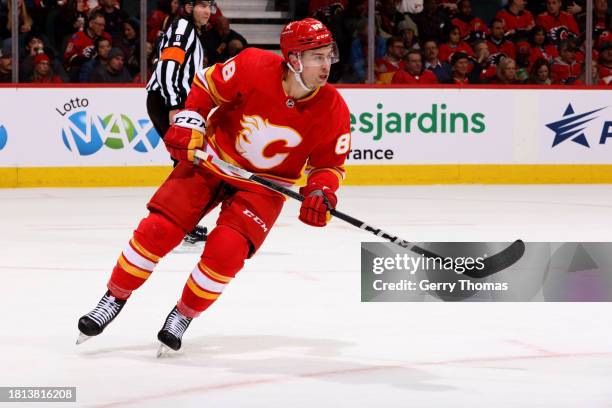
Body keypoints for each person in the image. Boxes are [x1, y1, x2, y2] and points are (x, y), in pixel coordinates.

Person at [76, 18, 351, 356]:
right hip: (213, 160)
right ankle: (113, 298)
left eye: (329, 55)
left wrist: (321, 191)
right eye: (317, 57)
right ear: (294, 59)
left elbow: (328, 165)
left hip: (264, 187)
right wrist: (191, 117)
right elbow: (206, 85)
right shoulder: (252, 64)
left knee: (226, 254)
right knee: (158, 230)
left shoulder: (333, 107)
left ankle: (182, 314)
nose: (327, 65)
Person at [146, 0, 212, 244]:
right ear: (188, 7)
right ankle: (174, 220)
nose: (207, 11)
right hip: (167, 100)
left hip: (172, 100)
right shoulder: (182, 27)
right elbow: (166, 67)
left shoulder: (189, 30)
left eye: (210, 6)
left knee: (185, 161)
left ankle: (180, 221)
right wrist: (174, 104)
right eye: (202, 5)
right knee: (186, 162)